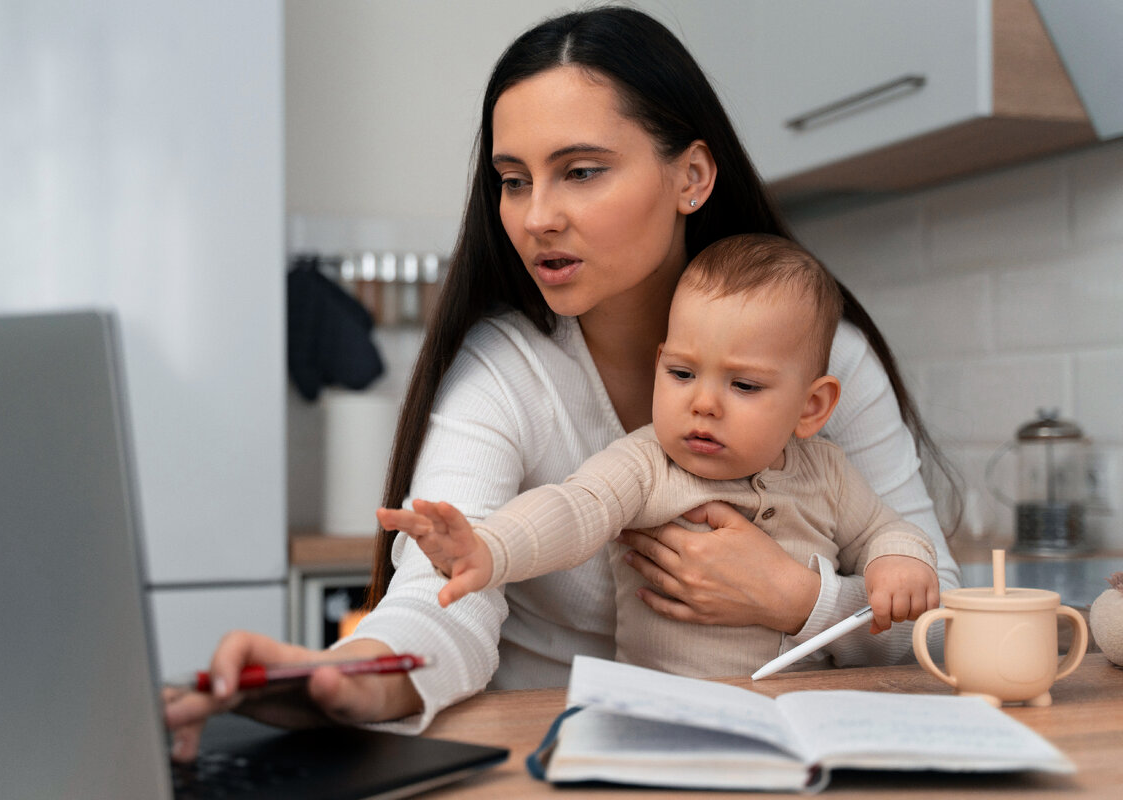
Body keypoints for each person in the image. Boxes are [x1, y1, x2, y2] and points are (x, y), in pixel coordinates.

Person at [164, 6, 961, 760]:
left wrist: (799, 600)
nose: (536, 216)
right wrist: (343, 678)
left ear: (691, 177)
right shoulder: (505, 370)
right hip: (558, 759)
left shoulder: (827, 361)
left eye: (580, 171)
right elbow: (443, 594)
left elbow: (946, 621)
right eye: (514, 180)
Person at [376, 233, 940, 678]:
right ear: (659, 364)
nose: (703, 404)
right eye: (681, 373)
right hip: (666, 712)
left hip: (804, 715)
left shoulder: (829, 474)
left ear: (812, 407)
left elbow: (886, 530)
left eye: (744, 386)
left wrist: (899, 561)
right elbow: (573, 510)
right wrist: (489, 548)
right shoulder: (647, 463)